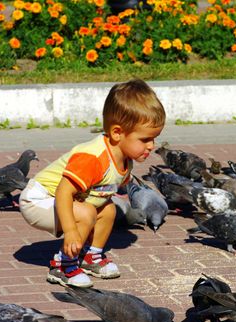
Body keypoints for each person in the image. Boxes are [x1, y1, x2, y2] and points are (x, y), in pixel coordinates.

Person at [19, 78, 165, 287]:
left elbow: (109, 186)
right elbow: (63, 192)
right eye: (145, 139)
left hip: (66, 199)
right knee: (87, 213)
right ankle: (62, 265)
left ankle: (90, 256)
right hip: (39, 199)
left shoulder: (124, 158)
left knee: (108, 209)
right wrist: (70, 231)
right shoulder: (93, 158)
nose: (152, 145)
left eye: (154, 138)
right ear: (117, 133)